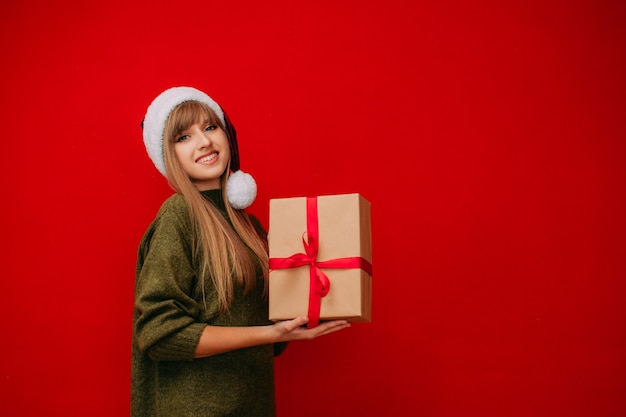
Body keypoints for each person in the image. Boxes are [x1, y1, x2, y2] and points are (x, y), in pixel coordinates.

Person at [132, 86, 350, 417]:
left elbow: (270, 339)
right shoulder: (178, 215)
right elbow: (160, 334)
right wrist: (269, 332)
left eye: (210, 127)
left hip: (253, 406)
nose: (204, 142)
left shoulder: (250, 227)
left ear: (226, 134)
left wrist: (314, 299)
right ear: (168, 156)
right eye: (183, 137)